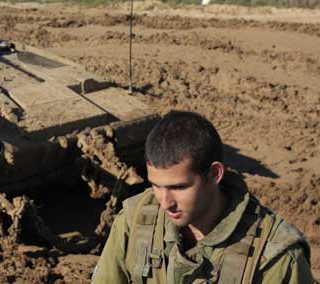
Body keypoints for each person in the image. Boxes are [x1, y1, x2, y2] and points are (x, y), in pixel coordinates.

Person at [91, 111, 315, 284]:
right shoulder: (135, 219)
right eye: (156, 186)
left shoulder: (274, 257)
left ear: (214, 174)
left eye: (179, 187)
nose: (164, 202)